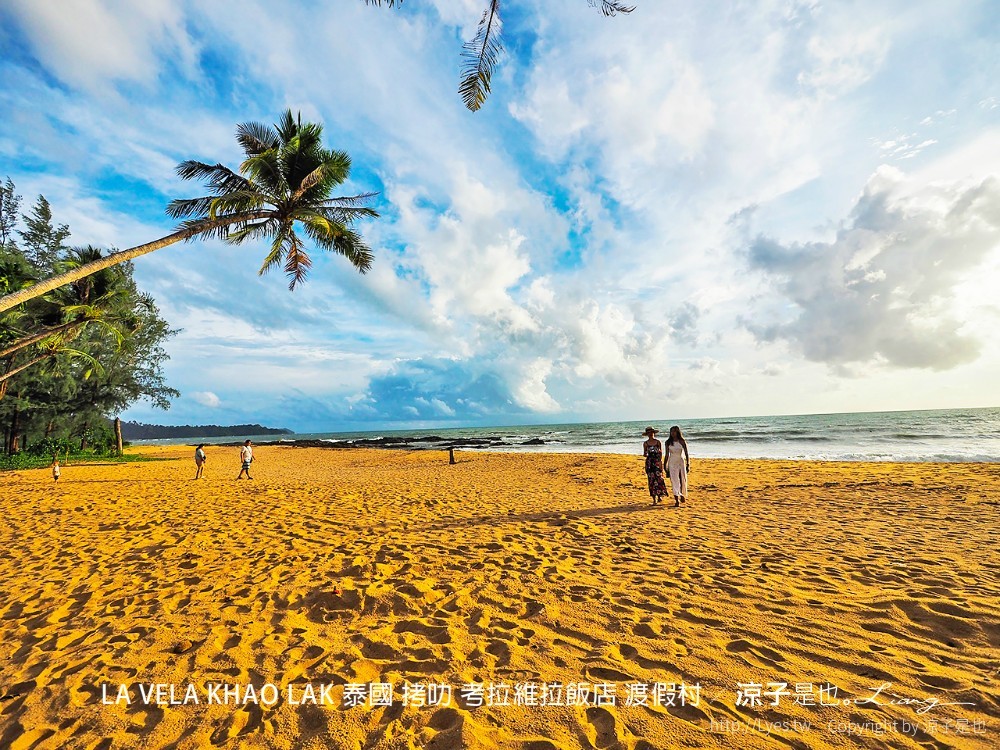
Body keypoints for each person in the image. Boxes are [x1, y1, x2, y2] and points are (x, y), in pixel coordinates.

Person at [665, 425, 690, 507]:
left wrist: (688, 464)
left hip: (680, 461)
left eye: (674, 431)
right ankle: (676, 499)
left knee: (682, 478)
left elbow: (686, 453)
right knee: (674, 480)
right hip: (672, 461)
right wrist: (665, 465)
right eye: (671, 431)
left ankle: (682, 494)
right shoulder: (668, 442)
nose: (673, 433)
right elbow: (666, 455)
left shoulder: (682, 441)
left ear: (678, 432)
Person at [642, 427, 668, 505]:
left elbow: (660, 453)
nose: (651, 434)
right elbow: (645, 454)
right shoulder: (645, 443)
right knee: (651, 480)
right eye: (649, 433)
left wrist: (660, 463)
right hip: (650, 463)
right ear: (647, 434)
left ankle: (660, 495)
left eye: (652, 432)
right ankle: (654, 499)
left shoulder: (658, 442)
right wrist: (646, 455)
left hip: (657, 462)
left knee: (659, 479)